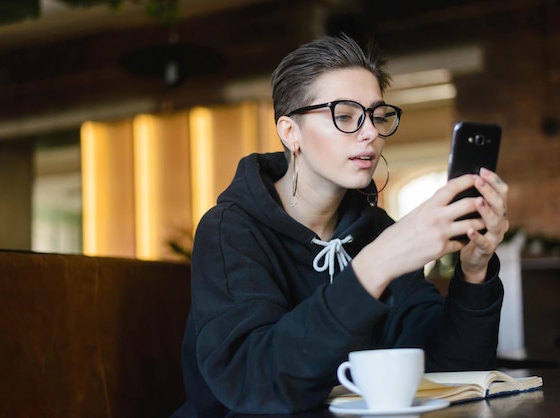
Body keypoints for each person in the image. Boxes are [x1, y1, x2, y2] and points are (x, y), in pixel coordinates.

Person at [171, 33, 509, 417]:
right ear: (290, 132)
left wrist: (475, 268)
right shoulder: (229, 229)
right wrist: (374, 267)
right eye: (345, 115)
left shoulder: (378, 231)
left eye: (378, 116)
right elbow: (253, 382)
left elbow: (447, 370)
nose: (370, 133)